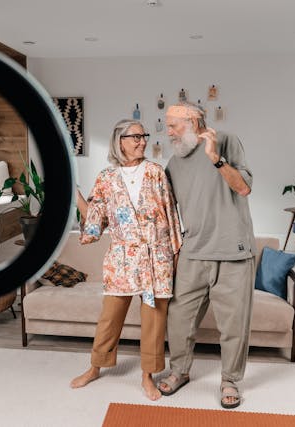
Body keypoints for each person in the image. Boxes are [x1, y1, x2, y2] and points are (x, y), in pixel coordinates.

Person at [70, 119, 182, 401]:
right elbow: (95, 220)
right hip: (121, 257)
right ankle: (95, 367)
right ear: (119, 140)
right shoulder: (107, 178)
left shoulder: (156, 172)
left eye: (144, 136)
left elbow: (171, 215)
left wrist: (175, 254)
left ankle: (147, 376)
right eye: (135, 136)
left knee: (153, 321)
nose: (142, 141)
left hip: (156, 257)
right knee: (109, 318)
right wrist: (73, 194)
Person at [157, 102, 256, 409]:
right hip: (193, 251)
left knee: (233, 325)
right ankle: (180, 371)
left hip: (233, 251)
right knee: (179, 318)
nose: (169, 131)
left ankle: (230, 380)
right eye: (167, 125)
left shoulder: (226, 140)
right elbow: (165, 211)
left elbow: (244, 188)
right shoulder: (173, 163)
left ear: (195, 122)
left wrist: (216, 159)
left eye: (174, 125)